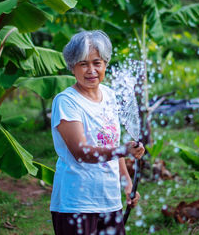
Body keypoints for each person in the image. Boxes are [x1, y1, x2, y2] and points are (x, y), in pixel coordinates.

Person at [50, 30, 145, 235]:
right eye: (83, 64)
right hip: (76, 203)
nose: (91, 70)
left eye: (97, 63)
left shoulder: (110, 96)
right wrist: (122, 150)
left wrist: (127, 184)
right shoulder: (67, 101)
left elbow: (112, 143)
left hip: (109, 201)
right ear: (72, 67)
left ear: (105, 65)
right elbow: (81, 152)